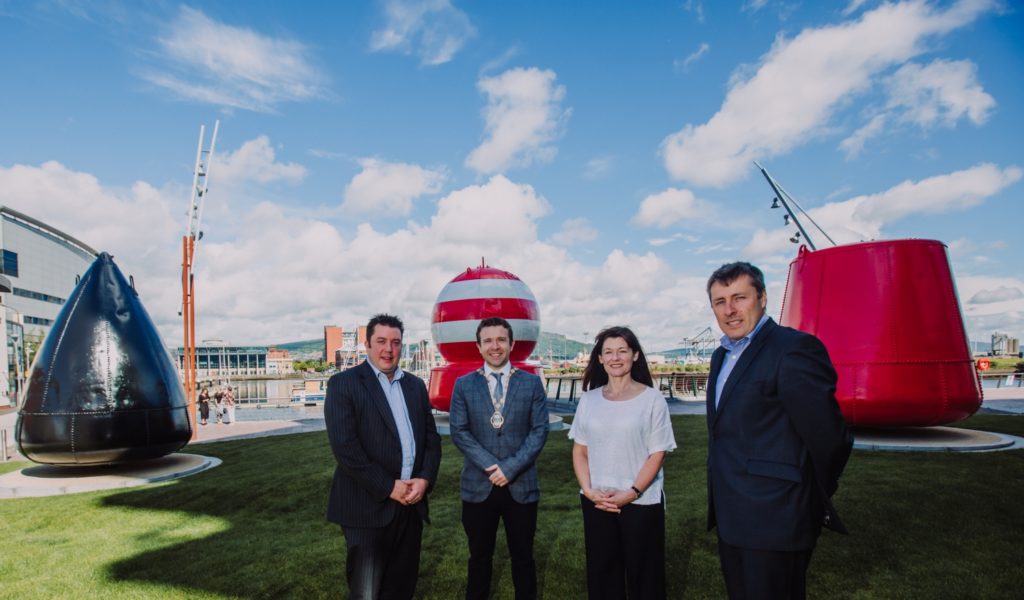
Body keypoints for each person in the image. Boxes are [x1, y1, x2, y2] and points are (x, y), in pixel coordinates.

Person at [705, 262, 853, 600]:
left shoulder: (793, 349)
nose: (730, 310)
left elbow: (831, 438)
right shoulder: (721, 357)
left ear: (763, 298)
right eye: (720, 301)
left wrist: (808, 496)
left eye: (739, 297)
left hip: (777, 518)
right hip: (732, 517)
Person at [324, 313, 442, 600]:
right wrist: (390, 487)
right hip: (366, 508)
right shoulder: (344, 384)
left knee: (401, 588)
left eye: (395, 342)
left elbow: (431, 440)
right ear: (367, 344)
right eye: (381, 341)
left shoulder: (414, 386)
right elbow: (346, 450)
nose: (388, 349)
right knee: (367, 592)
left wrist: (424, 480)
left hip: (411, 506)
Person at [569, 326, 677, 600]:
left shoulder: (652, 400)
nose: (615, 357)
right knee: (603, 575)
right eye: (608, 352)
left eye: (622, 351)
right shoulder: (589, 400)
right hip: (598, 500)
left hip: (641, 501)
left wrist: (632, 492)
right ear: (600, 359)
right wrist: (589, 490)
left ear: (635, 355)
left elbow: (657, 453)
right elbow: (580, 450)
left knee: (645, 578)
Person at [449, 317, 549, 600]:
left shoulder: (531, 384)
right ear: (478, 346)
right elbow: (460, 431)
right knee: (479, 558)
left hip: (521, 487)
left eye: (501, 340)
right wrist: (494, 467)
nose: (495, 346)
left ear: (511, 344)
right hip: (478, 487)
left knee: (523, 558)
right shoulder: (463, 385)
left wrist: (510, 468)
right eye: (488, 341)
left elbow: (539, 431)